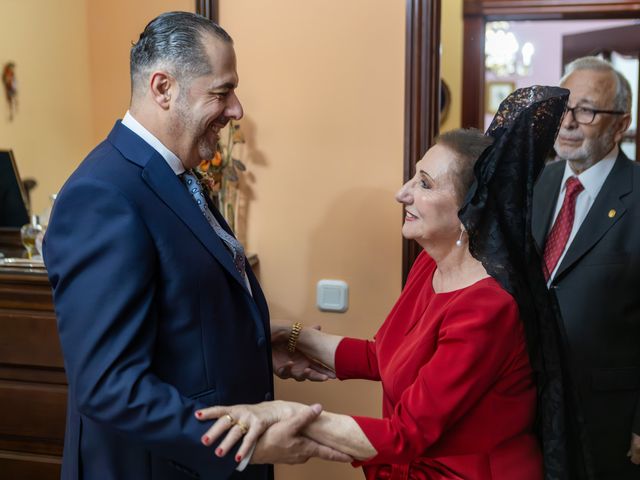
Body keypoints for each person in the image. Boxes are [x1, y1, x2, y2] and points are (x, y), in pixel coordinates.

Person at [196, 87, 574, 479]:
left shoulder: (487, 308)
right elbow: (384, 356)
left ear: (469, 210)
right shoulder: (430, 267)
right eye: (413, 175)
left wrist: (284, 416)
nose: (402, 193)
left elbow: (407, 432)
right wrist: (290, 336)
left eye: (424, 184)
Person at [43, 12, 347, 480]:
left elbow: (181, 311)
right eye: (221, 93)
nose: (237, 110)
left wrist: (261, 344)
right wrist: (249, 441)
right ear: (163, 88)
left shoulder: (173, 174)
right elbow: (109, 385)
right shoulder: (103, 195)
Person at [532, 56, 640, 479]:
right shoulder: (536, 184)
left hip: (608, 421)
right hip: (529, 410)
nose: (568, 122)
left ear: (620, 124)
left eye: (587, 110)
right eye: (563, 106)